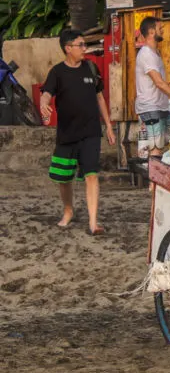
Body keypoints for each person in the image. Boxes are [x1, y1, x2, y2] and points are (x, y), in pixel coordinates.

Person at [40, 29, 116, 234]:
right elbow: (46, 93)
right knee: (64, 178)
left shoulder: (90, 68)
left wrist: (108, 125)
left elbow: (100, 98)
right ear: (68, 48)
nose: (85, 49)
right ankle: (68, 210)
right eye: (80, 45)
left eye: (85, 45)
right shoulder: (57, 72)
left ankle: (93, 222)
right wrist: (43, 103)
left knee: (92, 174)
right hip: (67, 134)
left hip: (91, 131)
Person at [135, 17, 170, 159]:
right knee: (156, 149)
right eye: (160, 28)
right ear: (152, 31)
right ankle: (153, 181)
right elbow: (159, 82)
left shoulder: (155, 53)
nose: (163, 30)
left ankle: (165, 173)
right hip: (150, 108)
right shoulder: (146, 54)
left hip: (161, 107)